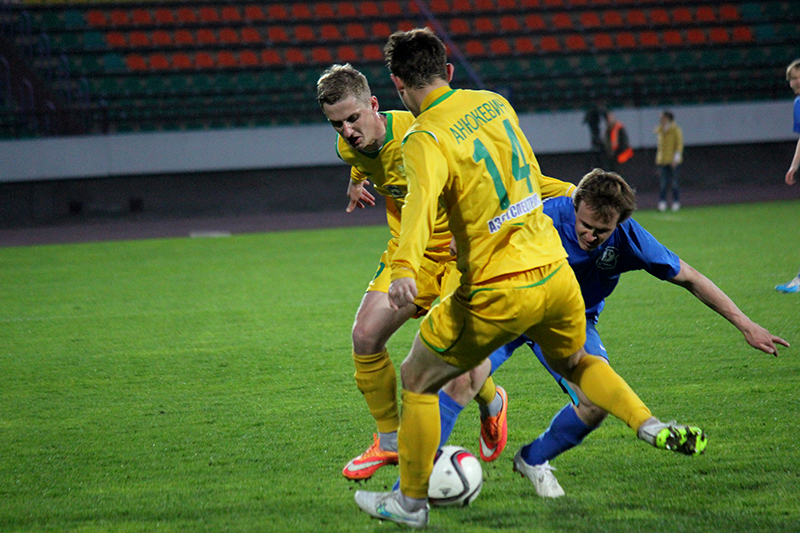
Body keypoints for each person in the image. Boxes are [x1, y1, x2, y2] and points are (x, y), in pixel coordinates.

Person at [354, 28, 705, 529]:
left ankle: (409, 503)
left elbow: (420, 207)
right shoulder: (494, 104)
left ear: (396, 84)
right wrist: (571, 193)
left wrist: (406, 267)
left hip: (497, 286)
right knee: (577, 362)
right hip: (556, 275)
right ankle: (646, 423)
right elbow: (529, 177)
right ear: (448, 71)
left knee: (417, 378)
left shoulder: (423, 137)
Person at [441, 169, 789, 499]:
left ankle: (533, 459)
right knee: (461, 378)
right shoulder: (544, 215)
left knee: (595, 405)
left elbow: (690, 278)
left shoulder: (628, 237)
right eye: (585, 225)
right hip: (514, 311)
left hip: (573, 322)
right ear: (575, 205)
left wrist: (746, 324)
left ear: (618, 223)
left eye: (602, 231)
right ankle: (418, 481)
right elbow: (487, 225)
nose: (591, 236)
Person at [315, 64, 574, 480]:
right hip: (410, 253)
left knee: (460, 365)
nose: (346, 131)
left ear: (374, 105)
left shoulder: (420, 130)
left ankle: (493, 402)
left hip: (460, 252)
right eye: (336, 124)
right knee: (365, 336)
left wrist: (573, 193)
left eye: (352, 118)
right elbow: (364, 160)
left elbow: (507, 172)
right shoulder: (348, 148)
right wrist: (356, 180)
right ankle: (389, 442)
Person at [777, 58, 800, 293]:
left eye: (795, 77)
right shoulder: (798, 103)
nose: (793, 82)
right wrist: (794, 165)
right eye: (791, 79)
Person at [655, 111, 683, 212]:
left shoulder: (675, 130)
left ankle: (676, 201)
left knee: (674, 182)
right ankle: (662, 202)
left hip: (672, 161)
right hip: (663, 161)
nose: (660, 120)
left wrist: (676, 159)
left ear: (667, 118)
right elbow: (660, 147)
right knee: (663, 183)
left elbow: (678, 144)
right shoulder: (660, 130)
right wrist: (659, 159)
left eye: (662, 117)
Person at [604, 110, 633, 174]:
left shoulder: (619, 128)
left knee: (622, 174)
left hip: (622, 156)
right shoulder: (609, 130)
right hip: (613, 158)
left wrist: (617, 153)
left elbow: (624, 142)